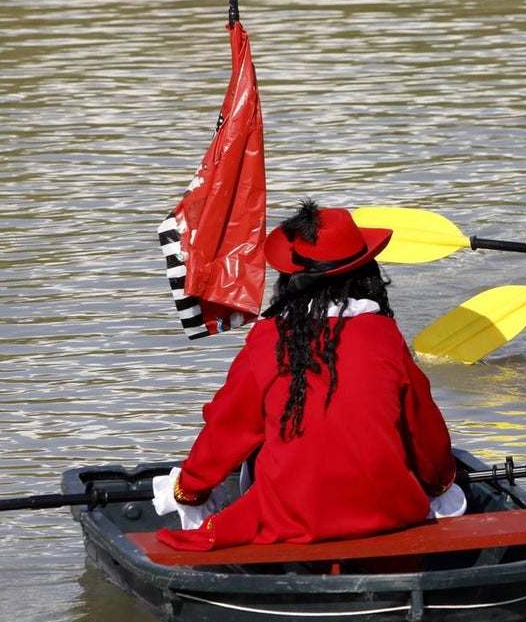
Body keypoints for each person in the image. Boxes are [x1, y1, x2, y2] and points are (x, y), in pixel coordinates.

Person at [152, 198, 460, 551]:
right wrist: (439, 484)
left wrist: (189, 490)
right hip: (390, 512)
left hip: (291, 519)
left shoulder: (268, 338)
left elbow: (229, 429)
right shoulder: (384, 334)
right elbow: (426, 433)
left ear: (290, 280)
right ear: (367, 276)